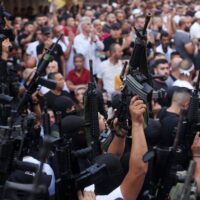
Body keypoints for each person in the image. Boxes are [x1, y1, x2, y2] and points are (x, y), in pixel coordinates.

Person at [85, 96, 148, 199]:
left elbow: (113, 157)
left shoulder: (87, 192)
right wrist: (137, 123)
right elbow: (139, 170)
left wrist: (120, 135)